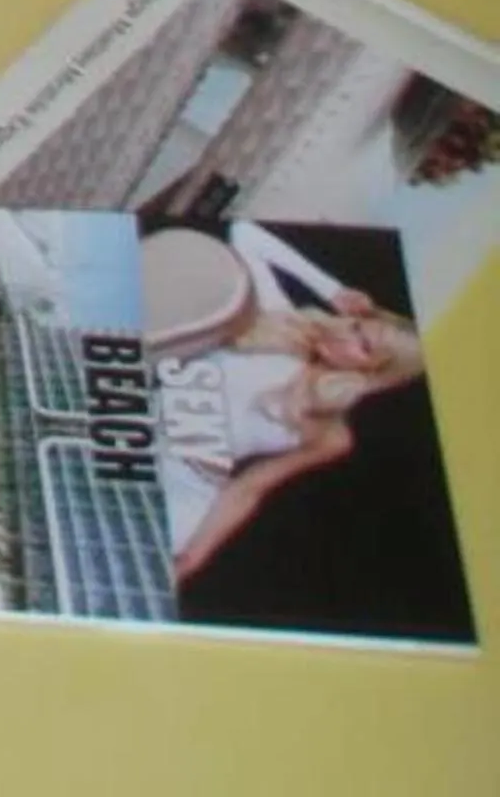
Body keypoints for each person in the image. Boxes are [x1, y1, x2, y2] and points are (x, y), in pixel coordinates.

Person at [148, 223, 426, 583]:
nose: (346, 334)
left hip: (184, 490)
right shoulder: (280, 317)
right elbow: (244, 233)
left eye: (364, 347)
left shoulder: (330, 433)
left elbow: (250, 487)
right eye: (357, 326)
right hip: (133, 428)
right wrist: (334, 289)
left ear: (372, 374)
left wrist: (194, 556)